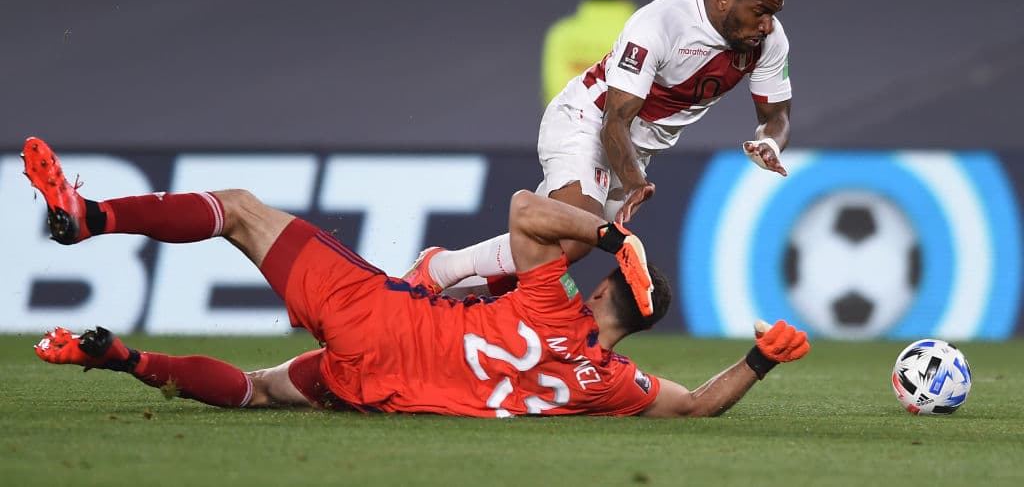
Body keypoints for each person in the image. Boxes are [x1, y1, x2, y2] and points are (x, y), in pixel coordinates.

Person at [24, 136, 809, 418]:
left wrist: (609, 232)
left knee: (237, 209)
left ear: (605, 288)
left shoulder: (551, 298)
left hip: (381, 320)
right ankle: (123, 360)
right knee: (260, 389)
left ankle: (89, 219)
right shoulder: (612, 384)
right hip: (381, 391)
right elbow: (699, 404)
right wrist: (760, 359)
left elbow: (526, 209)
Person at [405, 0, 792, 296]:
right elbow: (614, 122)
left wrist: (770, 142)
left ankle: (445, 298)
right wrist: (635, 182)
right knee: (577, 235)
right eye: (759, 12)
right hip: (587, 123)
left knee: (549, 253)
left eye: (773, 13)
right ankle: (438, 268)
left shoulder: (768, 41)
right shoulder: (660, 24)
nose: (767, 25)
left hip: (632, 151)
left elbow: (775, 115)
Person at [540, 0, 635, 106]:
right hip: (625, 125)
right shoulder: (638, 30)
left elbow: (553, 88)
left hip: (571, 123)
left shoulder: (562, 34)